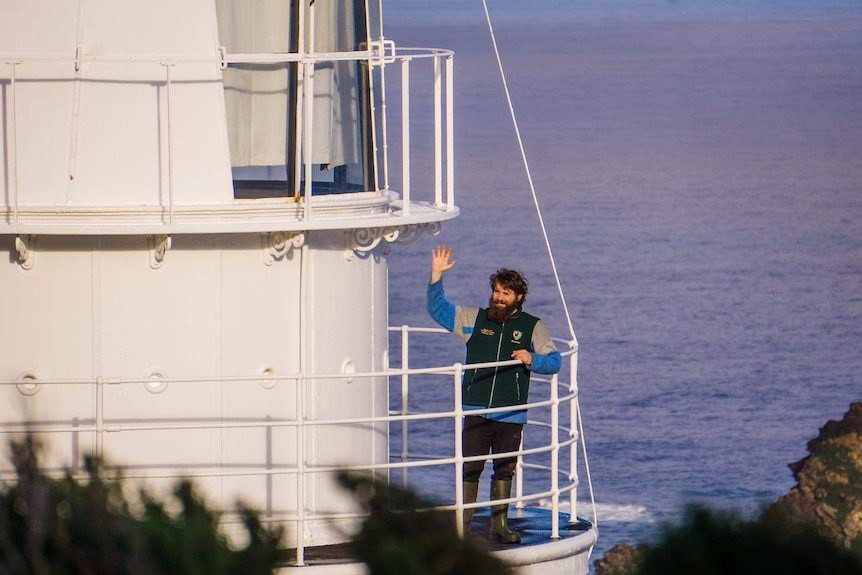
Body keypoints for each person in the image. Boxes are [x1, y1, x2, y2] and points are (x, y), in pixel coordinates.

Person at [426, 245, 561, 544]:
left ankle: (499, 528)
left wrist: (531, 358)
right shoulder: (474, 319)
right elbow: (437, 310)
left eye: (506, 293)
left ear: (518, 298)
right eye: (497, 291)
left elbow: (555, 361)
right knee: (470, 468)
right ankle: (462, 530)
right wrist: (436, 275)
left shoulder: (532, 326)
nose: (499, 297)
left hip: (511, 411)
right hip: (475, 408)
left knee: (504, 470)